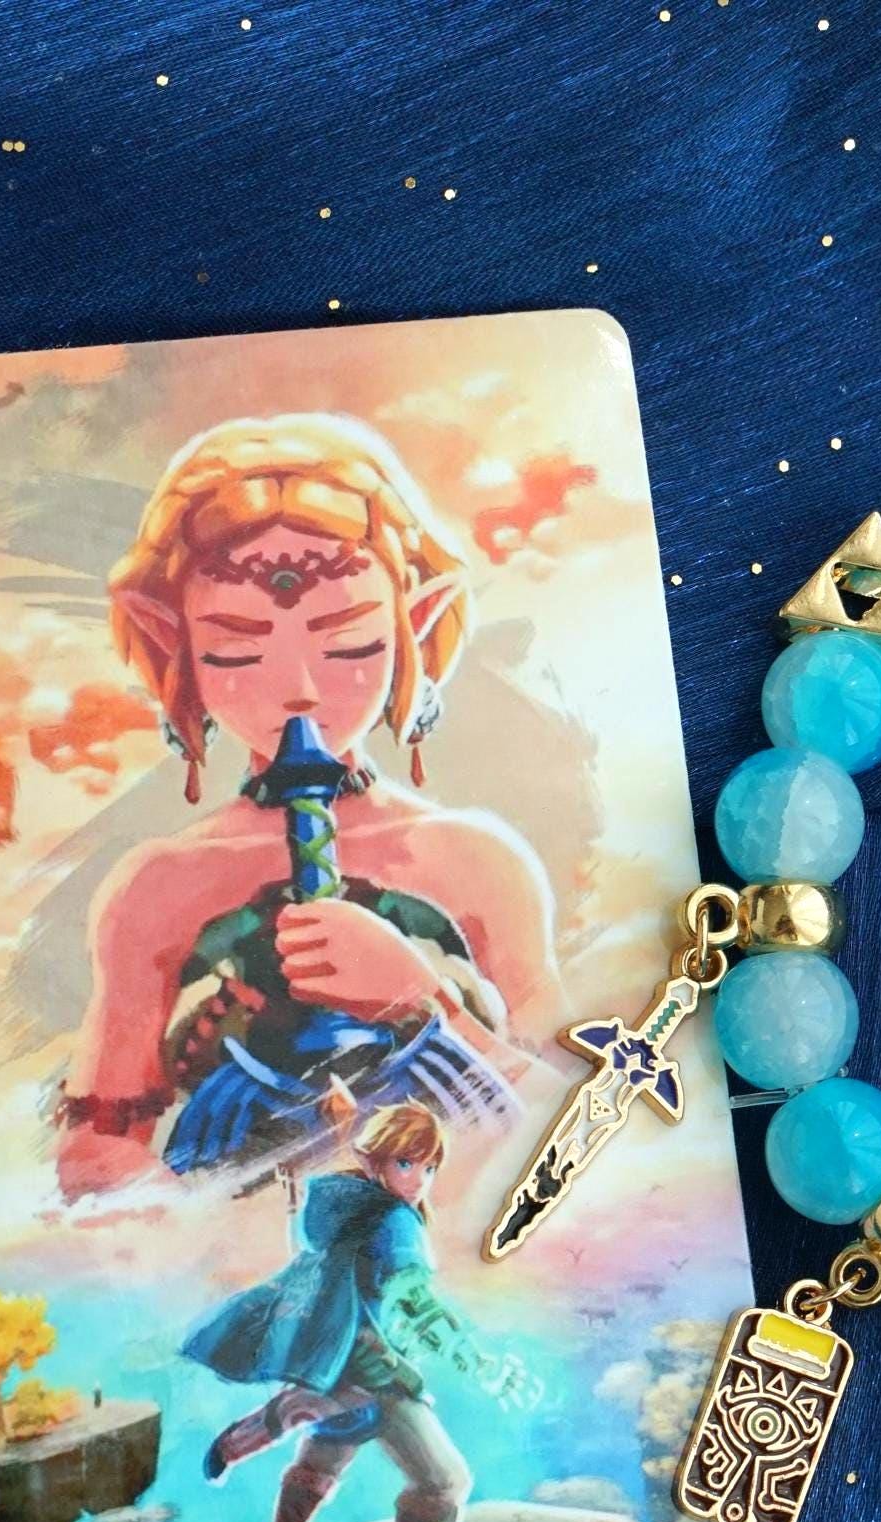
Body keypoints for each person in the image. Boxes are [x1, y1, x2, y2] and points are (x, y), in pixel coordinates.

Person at [54, 412, 563, 1197]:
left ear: (414, 621)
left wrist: (420, 1002)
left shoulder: (475, 861)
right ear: (173, 642)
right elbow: (95, 1156)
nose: (297, 688)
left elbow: (575, 1110)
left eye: (350, 644)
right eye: (236, 650)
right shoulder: (158, 885)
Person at [184, 1102, 506, 1522]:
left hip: (334, 1365)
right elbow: (416, 1302)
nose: (419, 1180)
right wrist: (471, 1357)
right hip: (377, 1373)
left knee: (324, 1452)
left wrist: (294, 1201)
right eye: (406, 1163)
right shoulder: (396, 1221)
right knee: (443, 1482)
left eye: (429, 1168)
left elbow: (310, 1255)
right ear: (373, 1159)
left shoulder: (337, 1207)